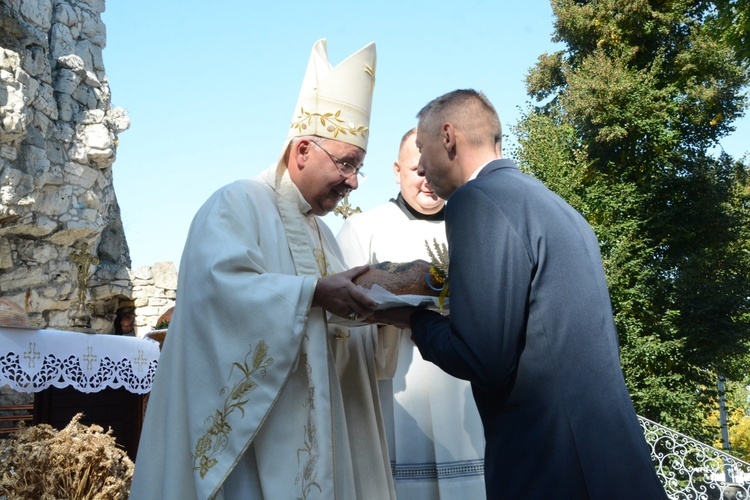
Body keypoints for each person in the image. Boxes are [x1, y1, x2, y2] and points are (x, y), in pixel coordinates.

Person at [130, 39, 398, 499]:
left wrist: (386, 312)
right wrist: (312, 295)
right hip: (256, 451)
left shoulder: (325, 236)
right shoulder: (235, 204)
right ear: (302, 151)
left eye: (359, 169)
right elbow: (217, 296)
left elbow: (346, 343)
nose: (353, 181)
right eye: (346, 164)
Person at [375, 89, 668, 499]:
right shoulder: (554, 204)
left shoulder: (475, 201)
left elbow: (483, 356)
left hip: (550, 464)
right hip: (610, 459)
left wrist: (412, 319)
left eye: (422, 150)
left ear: (448, 137)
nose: (421, 166)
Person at [337, 128, 486, 498]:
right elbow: (339, 318)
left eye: (433, 170)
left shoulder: (476, 225)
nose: (428, 181)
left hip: (465, 392)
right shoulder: (362, 228)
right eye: (417, 171)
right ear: (396, 169)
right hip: (396, 391)